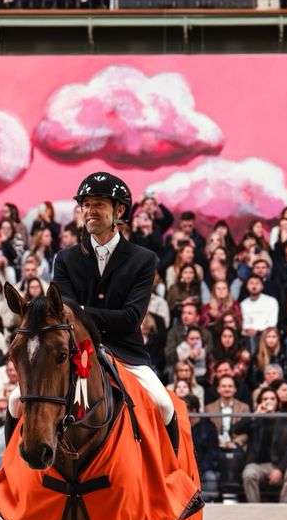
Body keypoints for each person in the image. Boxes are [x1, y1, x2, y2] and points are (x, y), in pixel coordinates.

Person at [37, 172, 180, 446]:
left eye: (98, 204)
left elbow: (131, 318)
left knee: (164, 404)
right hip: (75, 352)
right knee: (15, 400)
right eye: (86, 204)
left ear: (119, 211)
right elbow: (64, 314)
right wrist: (77, 313)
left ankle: (173, 471)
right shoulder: (65, 259)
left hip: (126, 353)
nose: (90, 210)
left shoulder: (144, 259)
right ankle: (11, 470)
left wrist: (80, 310)